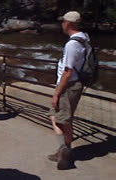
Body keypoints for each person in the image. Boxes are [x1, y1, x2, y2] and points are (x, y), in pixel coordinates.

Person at [48, 11, 89, 170]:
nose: (62, 24)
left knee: (58, 119)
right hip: (74, 84)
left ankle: (64, 154)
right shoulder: (84, 37)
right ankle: (64, 151)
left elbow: (68, 71)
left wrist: (57, 93)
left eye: (63, 21)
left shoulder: (72, 44)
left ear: (69, 24)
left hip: (68, 86)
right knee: (64, 119)